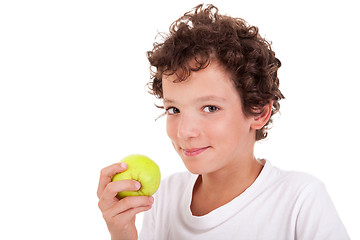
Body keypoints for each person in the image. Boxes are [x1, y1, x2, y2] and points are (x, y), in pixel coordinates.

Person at [97, 4, 349, 240]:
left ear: (258, 111)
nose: (184, 132)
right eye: (174, 109)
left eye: (210, 108)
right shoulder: (164, 197)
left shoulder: (301, 201)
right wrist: (123, 234)